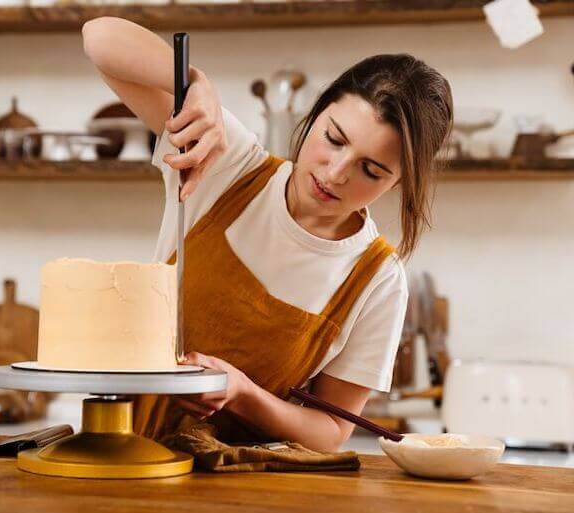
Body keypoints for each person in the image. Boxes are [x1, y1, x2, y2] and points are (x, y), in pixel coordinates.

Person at [82, 17, 453, 452]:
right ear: (314, 115)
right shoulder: (226, 160)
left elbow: (331, 432)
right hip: (123, 455)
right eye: (334, 139)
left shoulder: (376, 279)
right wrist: (195, 82)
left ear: (399, 183)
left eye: (370, 170)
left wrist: (243, 395)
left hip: (245, 485)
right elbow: (99, 38)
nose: (334, 174)